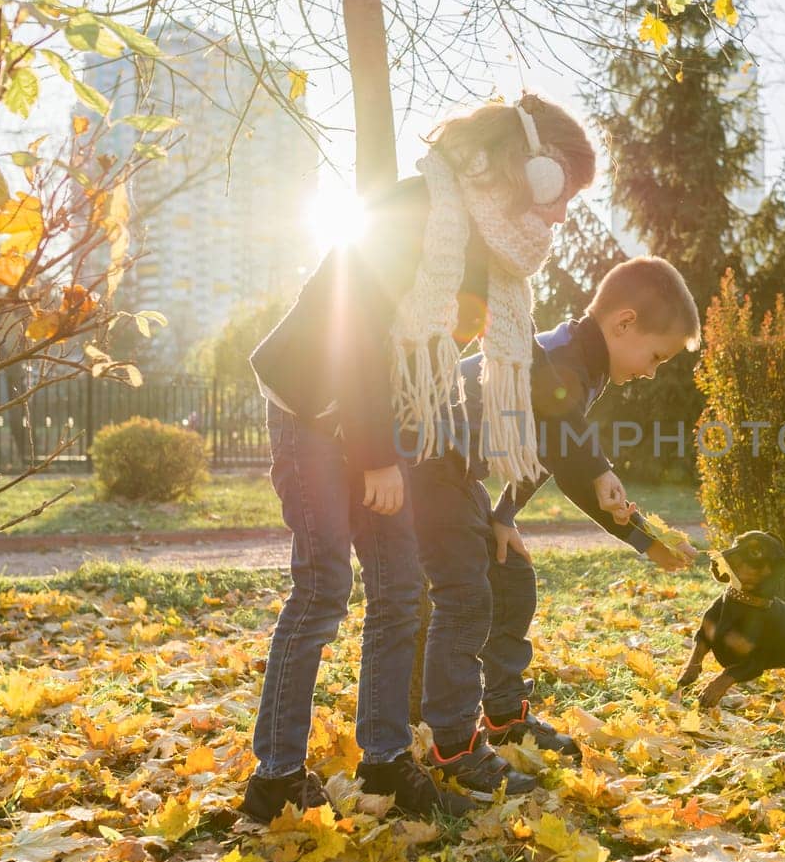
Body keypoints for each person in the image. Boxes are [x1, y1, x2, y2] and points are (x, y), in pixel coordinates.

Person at [241, 94, 596, 820]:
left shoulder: (488, 254)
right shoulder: (415, 211)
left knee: (401, 590)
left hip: (379, 414)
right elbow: (355, 332)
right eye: (562, 190)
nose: (561, 214)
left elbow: (525, 366)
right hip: (315, 405)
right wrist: (373, 456)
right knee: (323, 587)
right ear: (526, 170)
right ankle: (274, 777)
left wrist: (586, 462)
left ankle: (384, 765)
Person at [410, 256, 701, 796]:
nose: (652, 371)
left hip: (459, 471)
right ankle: (452, 742)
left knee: (513, 576)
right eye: (655, 356)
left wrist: (503, 516)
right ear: (624, 323)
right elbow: (574, 463)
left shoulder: (582, 364)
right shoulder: (567, 359)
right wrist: (638, 533)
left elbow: (545, 453)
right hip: (429, 458)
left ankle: (503, 713)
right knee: (467, 596)